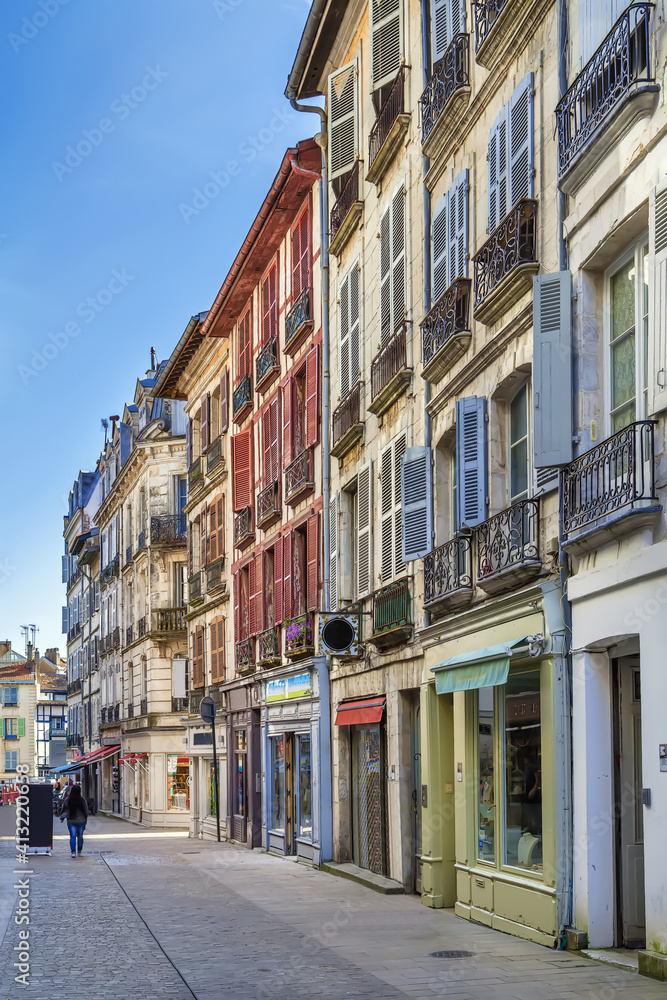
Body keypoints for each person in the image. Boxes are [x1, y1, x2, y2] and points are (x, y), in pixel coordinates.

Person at [60, 784, 89, 857]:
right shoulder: (82, 800)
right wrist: (85, 818)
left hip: (71, 821)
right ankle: (79, 851)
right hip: (81, 821)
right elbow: (86, 810)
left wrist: (62, 816)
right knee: (80, 836)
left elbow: (63, 809)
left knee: (72, 836)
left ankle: (73, 852)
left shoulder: (68, 800)